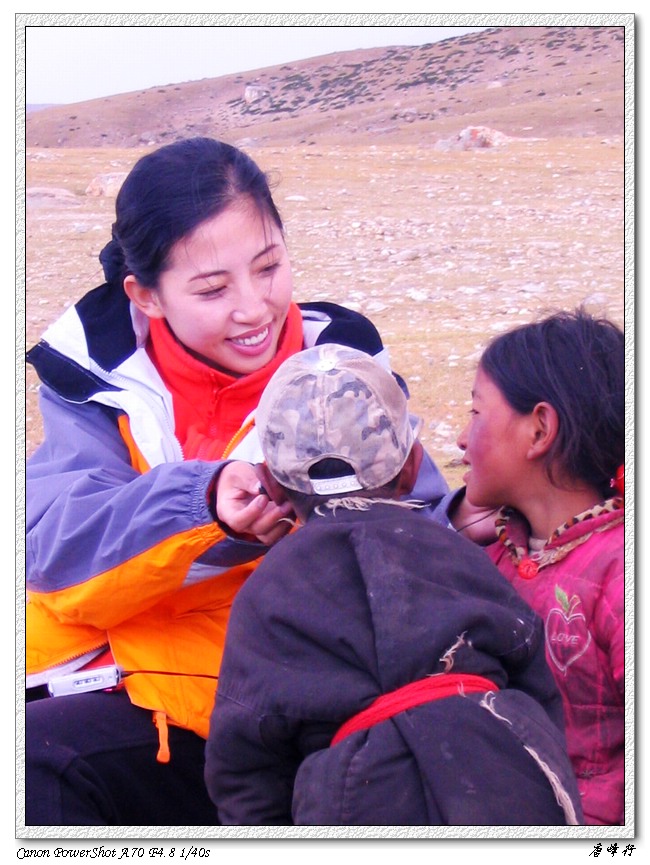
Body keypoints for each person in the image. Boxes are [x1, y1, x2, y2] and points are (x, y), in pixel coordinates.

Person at [24, 137, 449, 826]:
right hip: (123, 685)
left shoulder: (343, 376)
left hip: (277, 710)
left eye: (269, 267)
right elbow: (52, 554)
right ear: (145, 295)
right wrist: (202, 506)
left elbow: (419, 531)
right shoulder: (98, 381)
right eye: (213, 289)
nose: (253, 308)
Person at [204, 342, 583, 826]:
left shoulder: (267, 591)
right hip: (507, 787)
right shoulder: (461, 556)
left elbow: (245, 765)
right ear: (412, 465)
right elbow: (536, 683)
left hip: (355, 810)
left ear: (271, 483)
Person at [453, 308, 624, 825]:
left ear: (539, 429)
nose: (460, 438)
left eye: (476, 413)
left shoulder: (620, 574)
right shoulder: (493, 557)